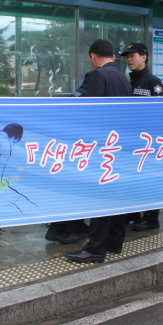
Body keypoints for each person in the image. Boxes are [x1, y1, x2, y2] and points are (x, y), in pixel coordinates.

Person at [66, 39, 132, 263]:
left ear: (93, 56)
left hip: (102, 147)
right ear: (111, 56)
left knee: (100, 197)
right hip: (119, 145)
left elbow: (91, 112)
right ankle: (115, 242)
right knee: (117, 195)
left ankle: (95, 249)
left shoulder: (98, 75)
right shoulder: (123, 78)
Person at [120, 42, 163, 231]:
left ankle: (151, 218)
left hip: (149, 142)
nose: (129, 60)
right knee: (133, 178)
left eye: (133, 56)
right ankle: (133, 213)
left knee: (150, 179)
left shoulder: (152, 82)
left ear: (144, 57)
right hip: (131, 141)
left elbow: (162, 112)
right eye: (127, 57)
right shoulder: (126, 82)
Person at [44, 72, 92, 245]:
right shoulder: (90, 96)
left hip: (70, 147)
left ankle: (76, 223)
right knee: (74, 189)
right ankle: (56, 230)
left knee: (78, 188)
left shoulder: (77, 94)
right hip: (77, 149)